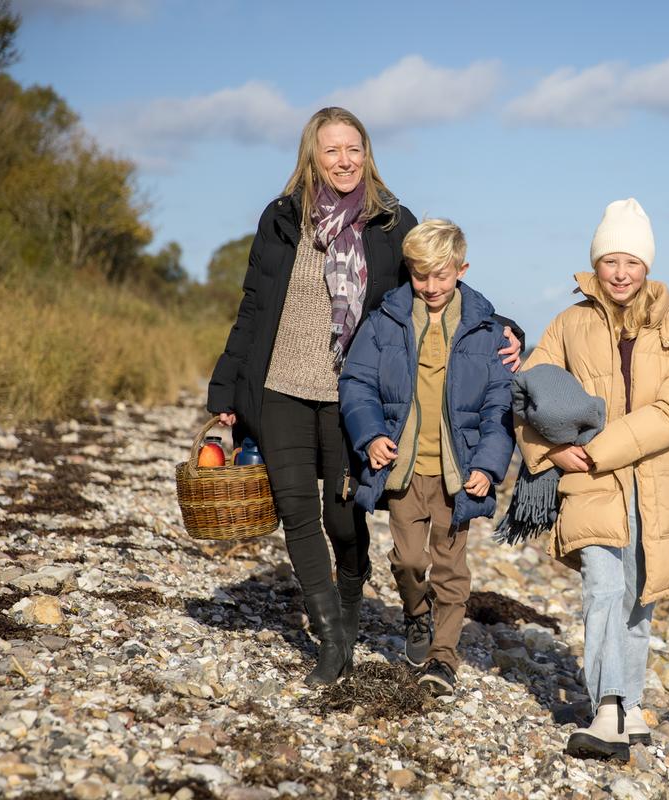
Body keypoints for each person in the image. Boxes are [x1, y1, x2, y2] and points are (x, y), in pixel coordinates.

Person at [206, 107, 522, 686]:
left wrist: (503, 327)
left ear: (367, 153)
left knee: (342, 515)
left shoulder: (389, 221)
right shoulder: (280, 220)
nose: (344, 160)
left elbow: (434, 287)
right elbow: (252, 305)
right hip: (279, 384)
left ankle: (351, 597)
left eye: (354, 149)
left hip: (352, 390)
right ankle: (332, 638)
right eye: (331, 150)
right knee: (296, 510)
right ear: (312, 155)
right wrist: (226, 385)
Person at [515, 198, 669, 761]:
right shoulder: (568, 324)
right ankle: (607, 710)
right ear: (595, 264)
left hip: (655, 482)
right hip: (589, 482)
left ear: (647, 264)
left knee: (638, 597)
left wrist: (594, 450)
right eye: (609, 261)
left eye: (631, 261)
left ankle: (634, 705)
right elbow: (526, 396)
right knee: (602, 588)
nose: (620, 273)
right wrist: (550, 452)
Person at [338, 218, 515, 697]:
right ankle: (416, 614)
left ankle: (443, 658)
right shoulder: (385, 321)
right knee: (409, 561)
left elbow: (500, 404)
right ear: (410, 272)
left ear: (462, 269)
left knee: (451, 568)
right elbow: (357, 384)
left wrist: (487, 466)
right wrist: (371, 435)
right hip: (402, 468)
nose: (431, 286)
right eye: (421, 275)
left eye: (441, 274)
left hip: (458, 474)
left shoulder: (486, 330)